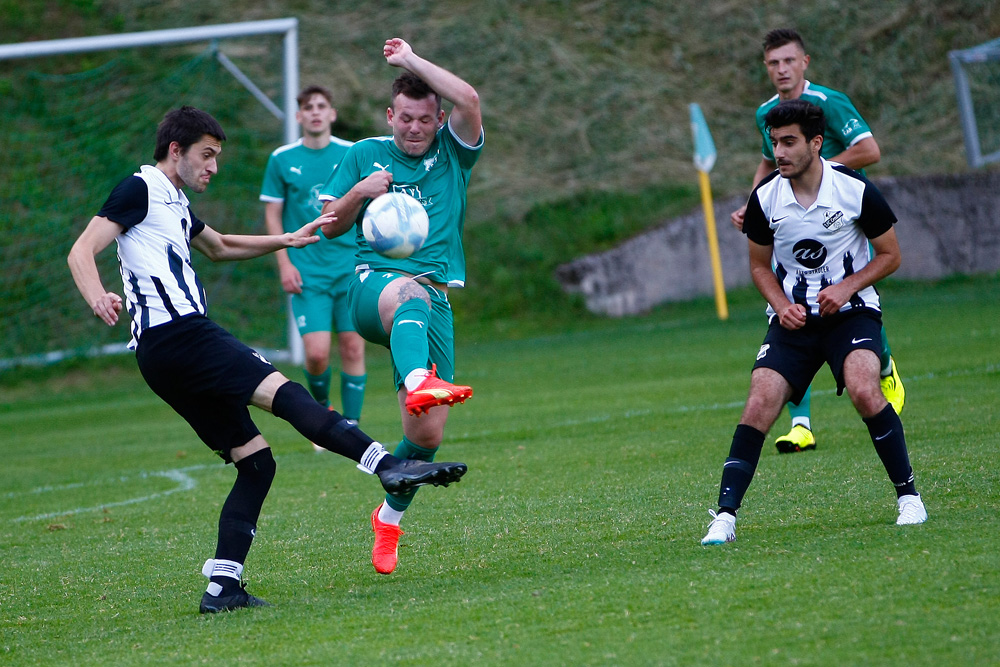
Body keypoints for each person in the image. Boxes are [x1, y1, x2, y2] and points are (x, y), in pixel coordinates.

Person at [67, 105, 468, 613]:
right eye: (206, 156)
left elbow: (219, 246)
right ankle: (388, 466)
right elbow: (82, 250)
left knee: (255, 463)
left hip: (161, 356)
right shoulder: (140, 188)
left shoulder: (176, 202)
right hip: (183, 336)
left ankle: (223, 589)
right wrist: (97, 294)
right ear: (175, 150)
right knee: (287, 394)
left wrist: (287, 238)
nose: (214, 166)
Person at [701, 99, 927, 546]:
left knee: (864, 390)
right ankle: (724, 518)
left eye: (789, 142)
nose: (779, 152)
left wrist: (846, 288)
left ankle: (909, 498)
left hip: (852, 312)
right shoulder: (765, 197)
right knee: (759, 404)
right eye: (774, 142)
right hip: (793, 321)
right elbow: (760, 267)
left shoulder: (854, 189)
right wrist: (781, 305)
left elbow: (891, 256)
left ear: (816, 144)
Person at [318, 38, 482, 575]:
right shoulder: (363, 154)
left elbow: (470, 99)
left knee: (427, 436)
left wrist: (410, 60)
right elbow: (330, 228)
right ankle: (416, 380)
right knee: (406, 295)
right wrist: (359, 193)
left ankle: (388, 517)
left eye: (424, 119)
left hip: (434, 298)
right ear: (390, 115)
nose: (413, 128)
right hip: (374, 285)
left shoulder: (452, 154)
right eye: (404, 118)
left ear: (439, 120)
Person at [730, 28, 904, 454]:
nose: (781, 69)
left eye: (788, 60)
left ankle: (880, 361)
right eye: (773, 63)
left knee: (849, 298)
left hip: (842, 220)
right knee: (791, 305)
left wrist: (822, 173)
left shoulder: (828, 102)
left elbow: (869, 149)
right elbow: (771, 161)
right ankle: (801, 423)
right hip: (792, 216)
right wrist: (754, 201)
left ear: (804, 62)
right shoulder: (766, 113)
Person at [260, 85, 367, 450]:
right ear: (299, 116)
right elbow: (273, 215)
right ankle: (324, 417)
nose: (316, 112)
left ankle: (351, 428)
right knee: (318, 353)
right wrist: (284, 263)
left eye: (323, 106)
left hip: (350, 267)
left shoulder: (352, 153)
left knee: (353, 347)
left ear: (333, 114)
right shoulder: (281, 158)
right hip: (307, 272)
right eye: (309, 107)